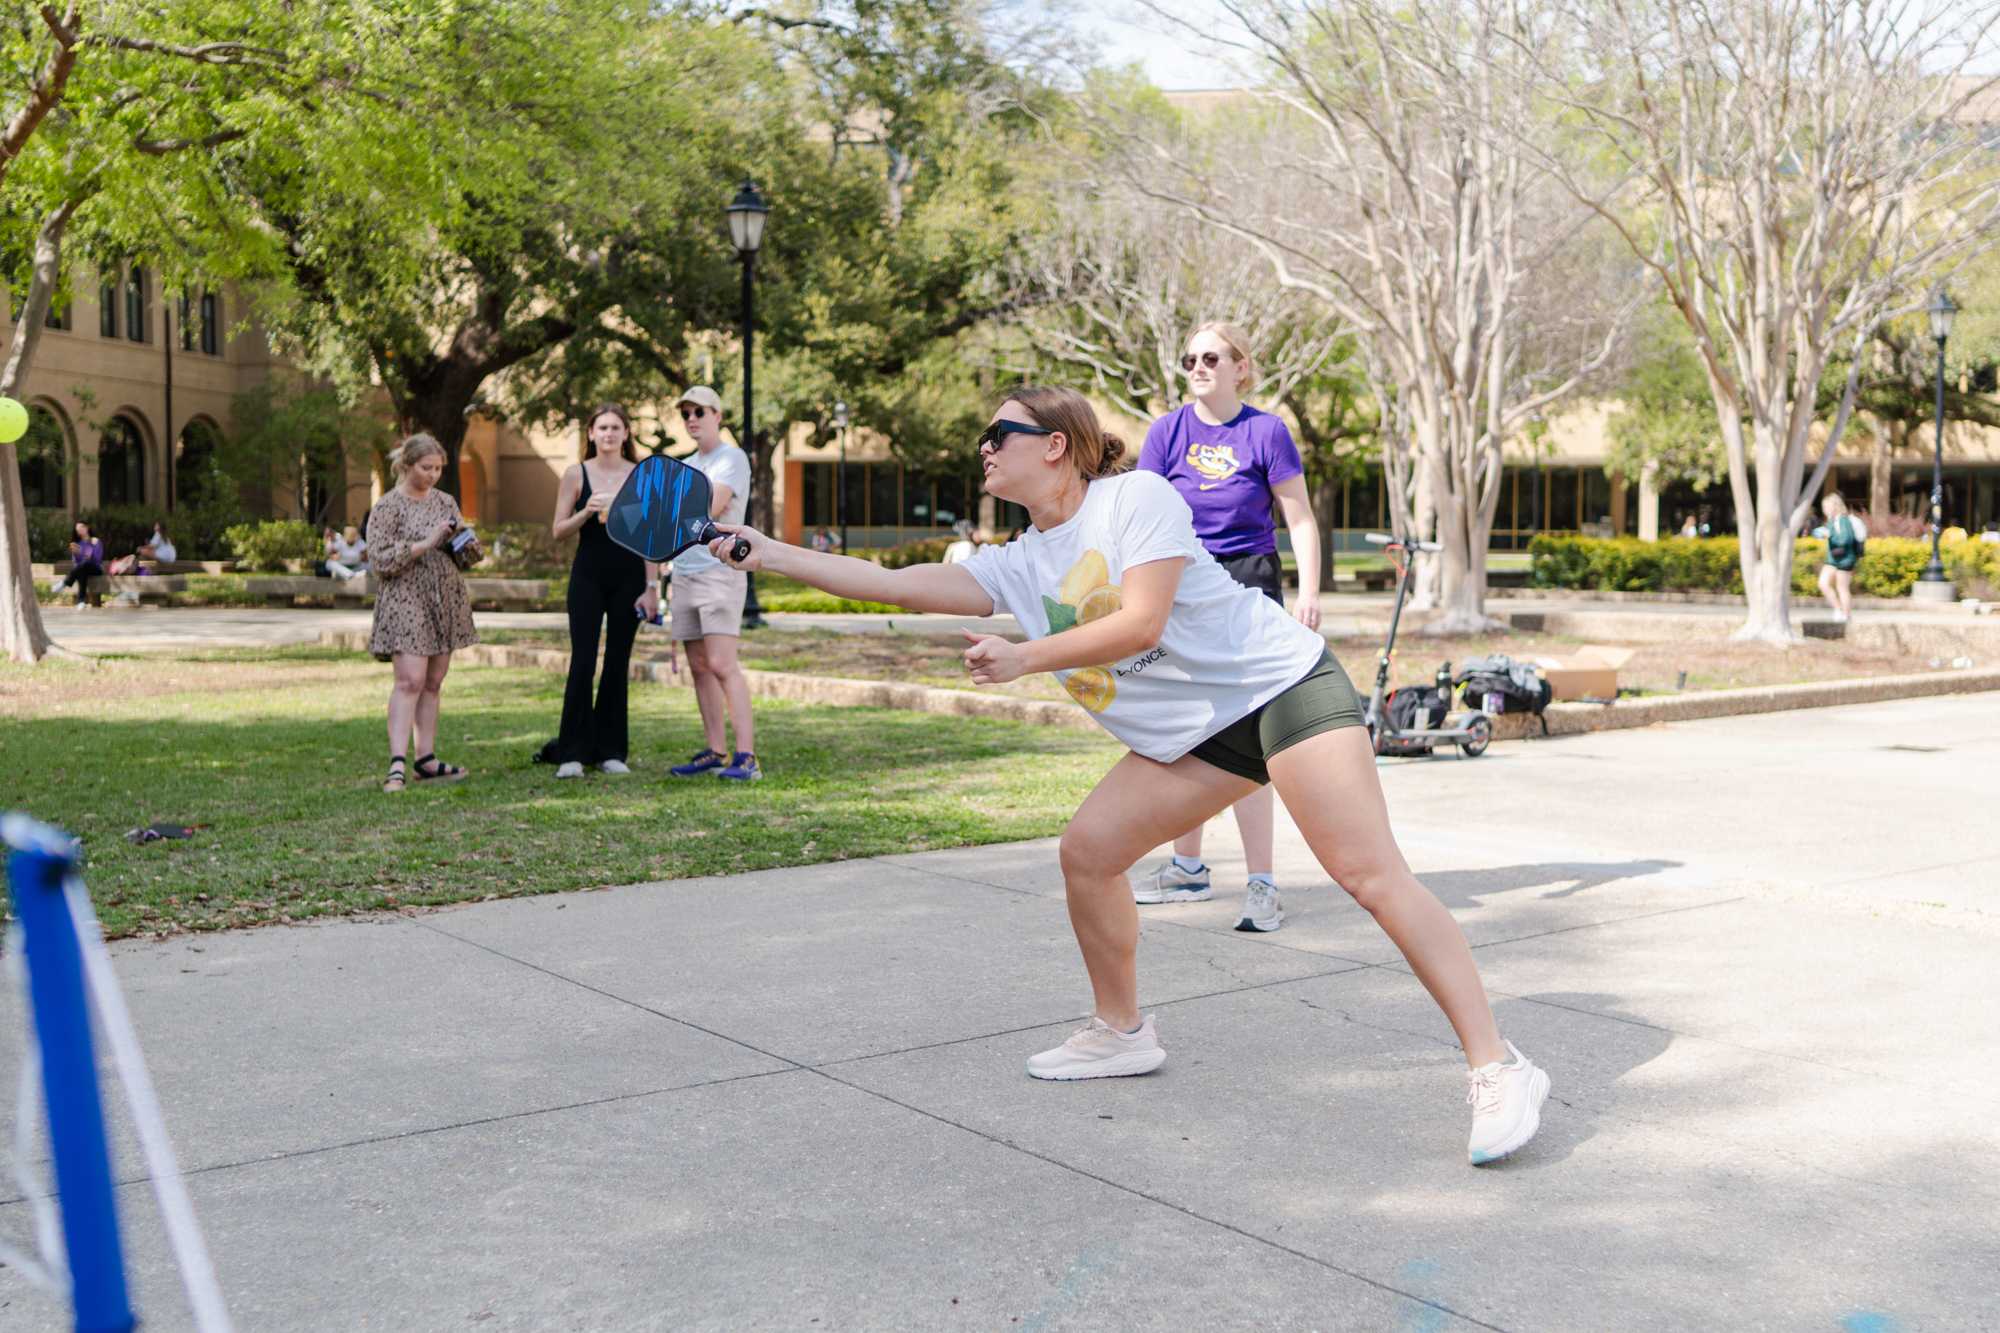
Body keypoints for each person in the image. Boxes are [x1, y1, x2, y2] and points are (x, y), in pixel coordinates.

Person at [702, 385, 1550, 1165]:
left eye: (1001, 434)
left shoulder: (1136, 497)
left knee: (1368, 875)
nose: (985, 449)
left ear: (1060, 445)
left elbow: (1140, 622)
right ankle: (1121, 1030)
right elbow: (889, 581)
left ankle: (1498, 1063)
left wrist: (1027, 655)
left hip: (1281, 688)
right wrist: (766, 552)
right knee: (1089, 851)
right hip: (1203, 734)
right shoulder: (1019, 560)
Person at [1133, 321, 1322, 933]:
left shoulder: (1266, 431)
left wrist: (1310, 594)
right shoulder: (1167, 432)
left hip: (1248, 584)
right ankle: (1187, 869)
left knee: (1246, 736)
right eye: (1189, 358)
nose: (1197, 366)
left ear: (1242, 365)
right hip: (1180, 584)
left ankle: (1262, 883)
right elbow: (1140, 518)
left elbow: (1299, 519)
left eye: (1211, 356)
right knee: (1186, 726)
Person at [550, 403, 660, 779]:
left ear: (626, 434)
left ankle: (611, 750)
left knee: (617, 661)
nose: (609, 434)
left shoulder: (640, 476)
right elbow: (558, 530)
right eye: (602, 427)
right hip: (588, 576)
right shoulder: (576, 474)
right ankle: (572, 753)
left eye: (616, 427)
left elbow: (651, 538)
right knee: (582, 660)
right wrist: (585, 512)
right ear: (591, 434)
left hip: (629, 577)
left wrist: (652, 586)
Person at [367, 434, 479, 793]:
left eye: (438, 469)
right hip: (406, 598)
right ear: (407, 465)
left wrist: (466, 543)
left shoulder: (446, 501)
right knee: (409, 681)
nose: (432, 475)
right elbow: (380, 560)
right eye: (425, 468)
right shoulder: (387, 506)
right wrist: (426, 543)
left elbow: (465, 557)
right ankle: (396, 764)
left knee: (433, 681)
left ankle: (426, 759)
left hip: (442, 598)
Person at [666, 386, 760, 782]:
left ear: (717, 415)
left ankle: (747, 757)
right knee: (699, 667)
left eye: (699, 411)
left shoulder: (732, 457)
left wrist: (671, 510)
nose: (691, 418)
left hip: (720, 573)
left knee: (722, 664)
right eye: (686, 412)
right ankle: (715, 750)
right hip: (683, 573)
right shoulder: (686, 463)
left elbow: (711, 509)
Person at [1810, 493, 1867, 623]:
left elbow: (1845, 540)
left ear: (1834, 506)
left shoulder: (1843, 520)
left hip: (1845, 559)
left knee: (1842, 587)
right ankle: (1838, 609)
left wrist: (1829, 535)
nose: (1824, 510)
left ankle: (1846, 616)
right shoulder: (1832, 521)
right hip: (1833, 559)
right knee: (1823, 583)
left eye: (1826, 506)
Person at [59, 522, 105, 607]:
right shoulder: (78, 543)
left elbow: (97, 559)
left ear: (87, 528)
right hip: (83, 569)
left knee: (85, 564)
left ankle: (65, 582)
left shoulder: (95, 541)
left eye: (81, 528)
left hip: (96, 569)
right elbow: (77, 563)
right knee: (82, 571)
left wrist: (82, 552)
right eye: (78, 530)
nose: (79, 531)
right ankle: (81, 602)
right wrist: (76, 554)